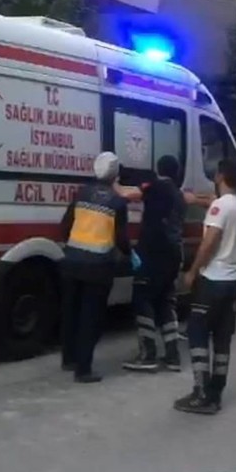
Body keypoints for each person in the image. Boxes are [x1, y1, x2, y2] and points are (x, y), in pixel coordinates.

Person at [174, 158, 236, 415]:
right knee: (222, 337)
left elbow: (209, 242)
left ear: (220, 176)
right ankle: (216, 393)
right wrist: (197, 200)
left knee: (197, 331)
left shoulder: (220, 206)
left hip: (214, 279)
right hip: (234, 281)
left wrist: (192, 271)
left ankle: (200, 393)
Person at [60, 151, 131, 384]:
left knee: (72, 311)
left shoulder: (81, 193)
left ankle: (68, 359)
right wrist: (129, 255)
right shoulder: (117, 202)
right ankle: (84, 369)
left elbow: (65, 225)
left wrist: (72, 246)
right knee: (91, 317)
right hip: (98, 267)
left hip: (72, 261)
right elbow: (121, 239)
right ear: (115, 175)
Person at [120, 155, 187, 373]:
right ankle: (173, 356)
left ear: (159, 169)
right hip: (173, 254)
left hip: (154, 253)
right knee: (166, 302)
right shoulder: (178, 194)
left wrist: (111, 180)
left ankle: (148, 354)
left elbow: (129, 194)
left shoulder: (156, 188)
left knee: (143, 298)